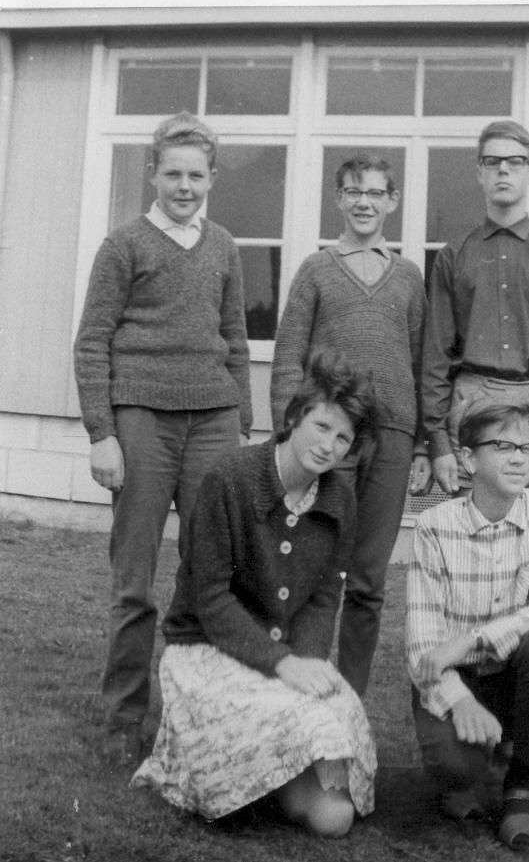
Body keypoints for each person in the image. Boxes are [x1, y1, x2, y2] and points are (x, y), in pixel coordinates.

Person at [131, 352, 377, 837]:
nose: (329, 446)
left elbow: (324, 596)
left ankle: (274, 777)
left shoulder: (339, 499)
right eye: (322, 426)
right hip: (205, 647)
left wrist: (304, 662)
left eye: (343, 438)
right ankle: (238, 776)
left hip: (283, 651)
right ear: (293, 418)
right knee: (279, 743)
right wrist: (282, 664)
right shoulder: (230, 479)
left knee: (335, 816)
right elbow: (212, 600)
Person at [73, 111, 252, 764]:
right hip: (141, 419)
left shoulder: (225, 245)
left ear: (210, 178)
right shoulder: (124, 245)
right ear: (153, 173)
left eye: (195, 175)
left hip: (213, 419)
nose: (184, 185)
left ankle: (192, 707)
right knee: (135, 574)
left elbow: (233, 339)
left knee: (212, 570)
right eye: (172, 173)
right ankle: (124, 714)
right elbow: (92, 341)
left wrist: (243, 418)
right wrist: (102, 432)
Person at [270, 153, 427, 695]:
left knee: (368, 578)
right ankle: (299, 684)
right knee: (312, 565)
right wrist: (290, 430)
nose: (364, 202)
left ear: (392, 202)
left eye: (376, 193)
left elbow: (420, 359)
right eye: (354, 192)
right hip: (330, 438)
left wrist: (424, 439)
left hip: (393, 437)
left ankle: (352, 701)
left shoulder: (409, 276)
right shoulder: (316, 270)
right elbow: (289, 355)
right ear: (338, 199)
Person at [406, 402, 529, 851]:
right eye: (504, 446)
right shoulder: (433, 527)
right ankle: (464, 774)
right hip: (459, 681)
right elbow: (424, 646)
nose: (520, 458)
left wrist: (472, 639)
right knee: (456, 768)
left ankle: (521, 786)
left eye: (527, 446)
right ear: (467, 460)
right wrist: (459, 700)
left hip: (514, 673)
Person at [422, 119, 529, 496]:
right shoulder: (453, 257)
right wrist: (436, 443)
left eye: (515, 162)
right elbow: (436, 357)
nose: (503, 170)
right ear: (479, 173)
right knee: (471, 539)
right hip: (472, 405)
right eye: (492, 162)